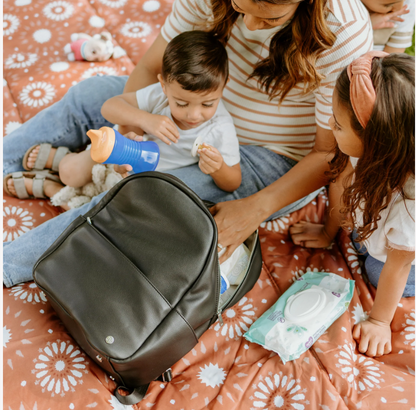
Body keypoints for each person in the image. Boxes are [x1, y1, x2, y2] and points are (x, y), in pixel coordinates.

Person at [3, 0, 373, 287]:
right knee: (90, 93)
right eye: (238, 7)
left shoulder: (344, 33)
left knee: (143, 196)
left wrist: (255, 209)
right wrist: (132, 128)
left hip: (269, 157)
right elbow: (152, 68)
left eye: (269, 19)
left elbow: (329, 153)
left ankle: (11, 262)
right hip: (188, 104)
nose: (248, 26)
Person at [4, 31, 241, 207]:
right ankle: (63, 163)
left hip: (137, 182)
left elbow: (233, 183)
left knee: (99, 213)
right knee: (71, 173)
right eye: (181, 103)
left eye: (208, 104)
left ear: (223, 88)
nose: (193, 114)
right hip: (115, 153)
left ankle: (50, 187)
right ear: (164, 85)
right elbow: (110, 107)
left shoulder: (219, 128)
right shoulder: (158, 97)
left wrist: (218, 167)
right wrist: (147, 120)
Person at [290, 52, 415, 357]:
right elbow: (342, 184)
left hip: (402, 260)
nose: (330, 125)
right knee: (358, 237)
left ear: (375, 140)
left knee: (377, 271)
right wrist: (328, 231)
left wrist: (379, 320)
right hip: (372, 228)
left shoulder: (410, 206)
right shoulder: (370, 150)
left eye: (339, 124)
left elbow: (397, 267)